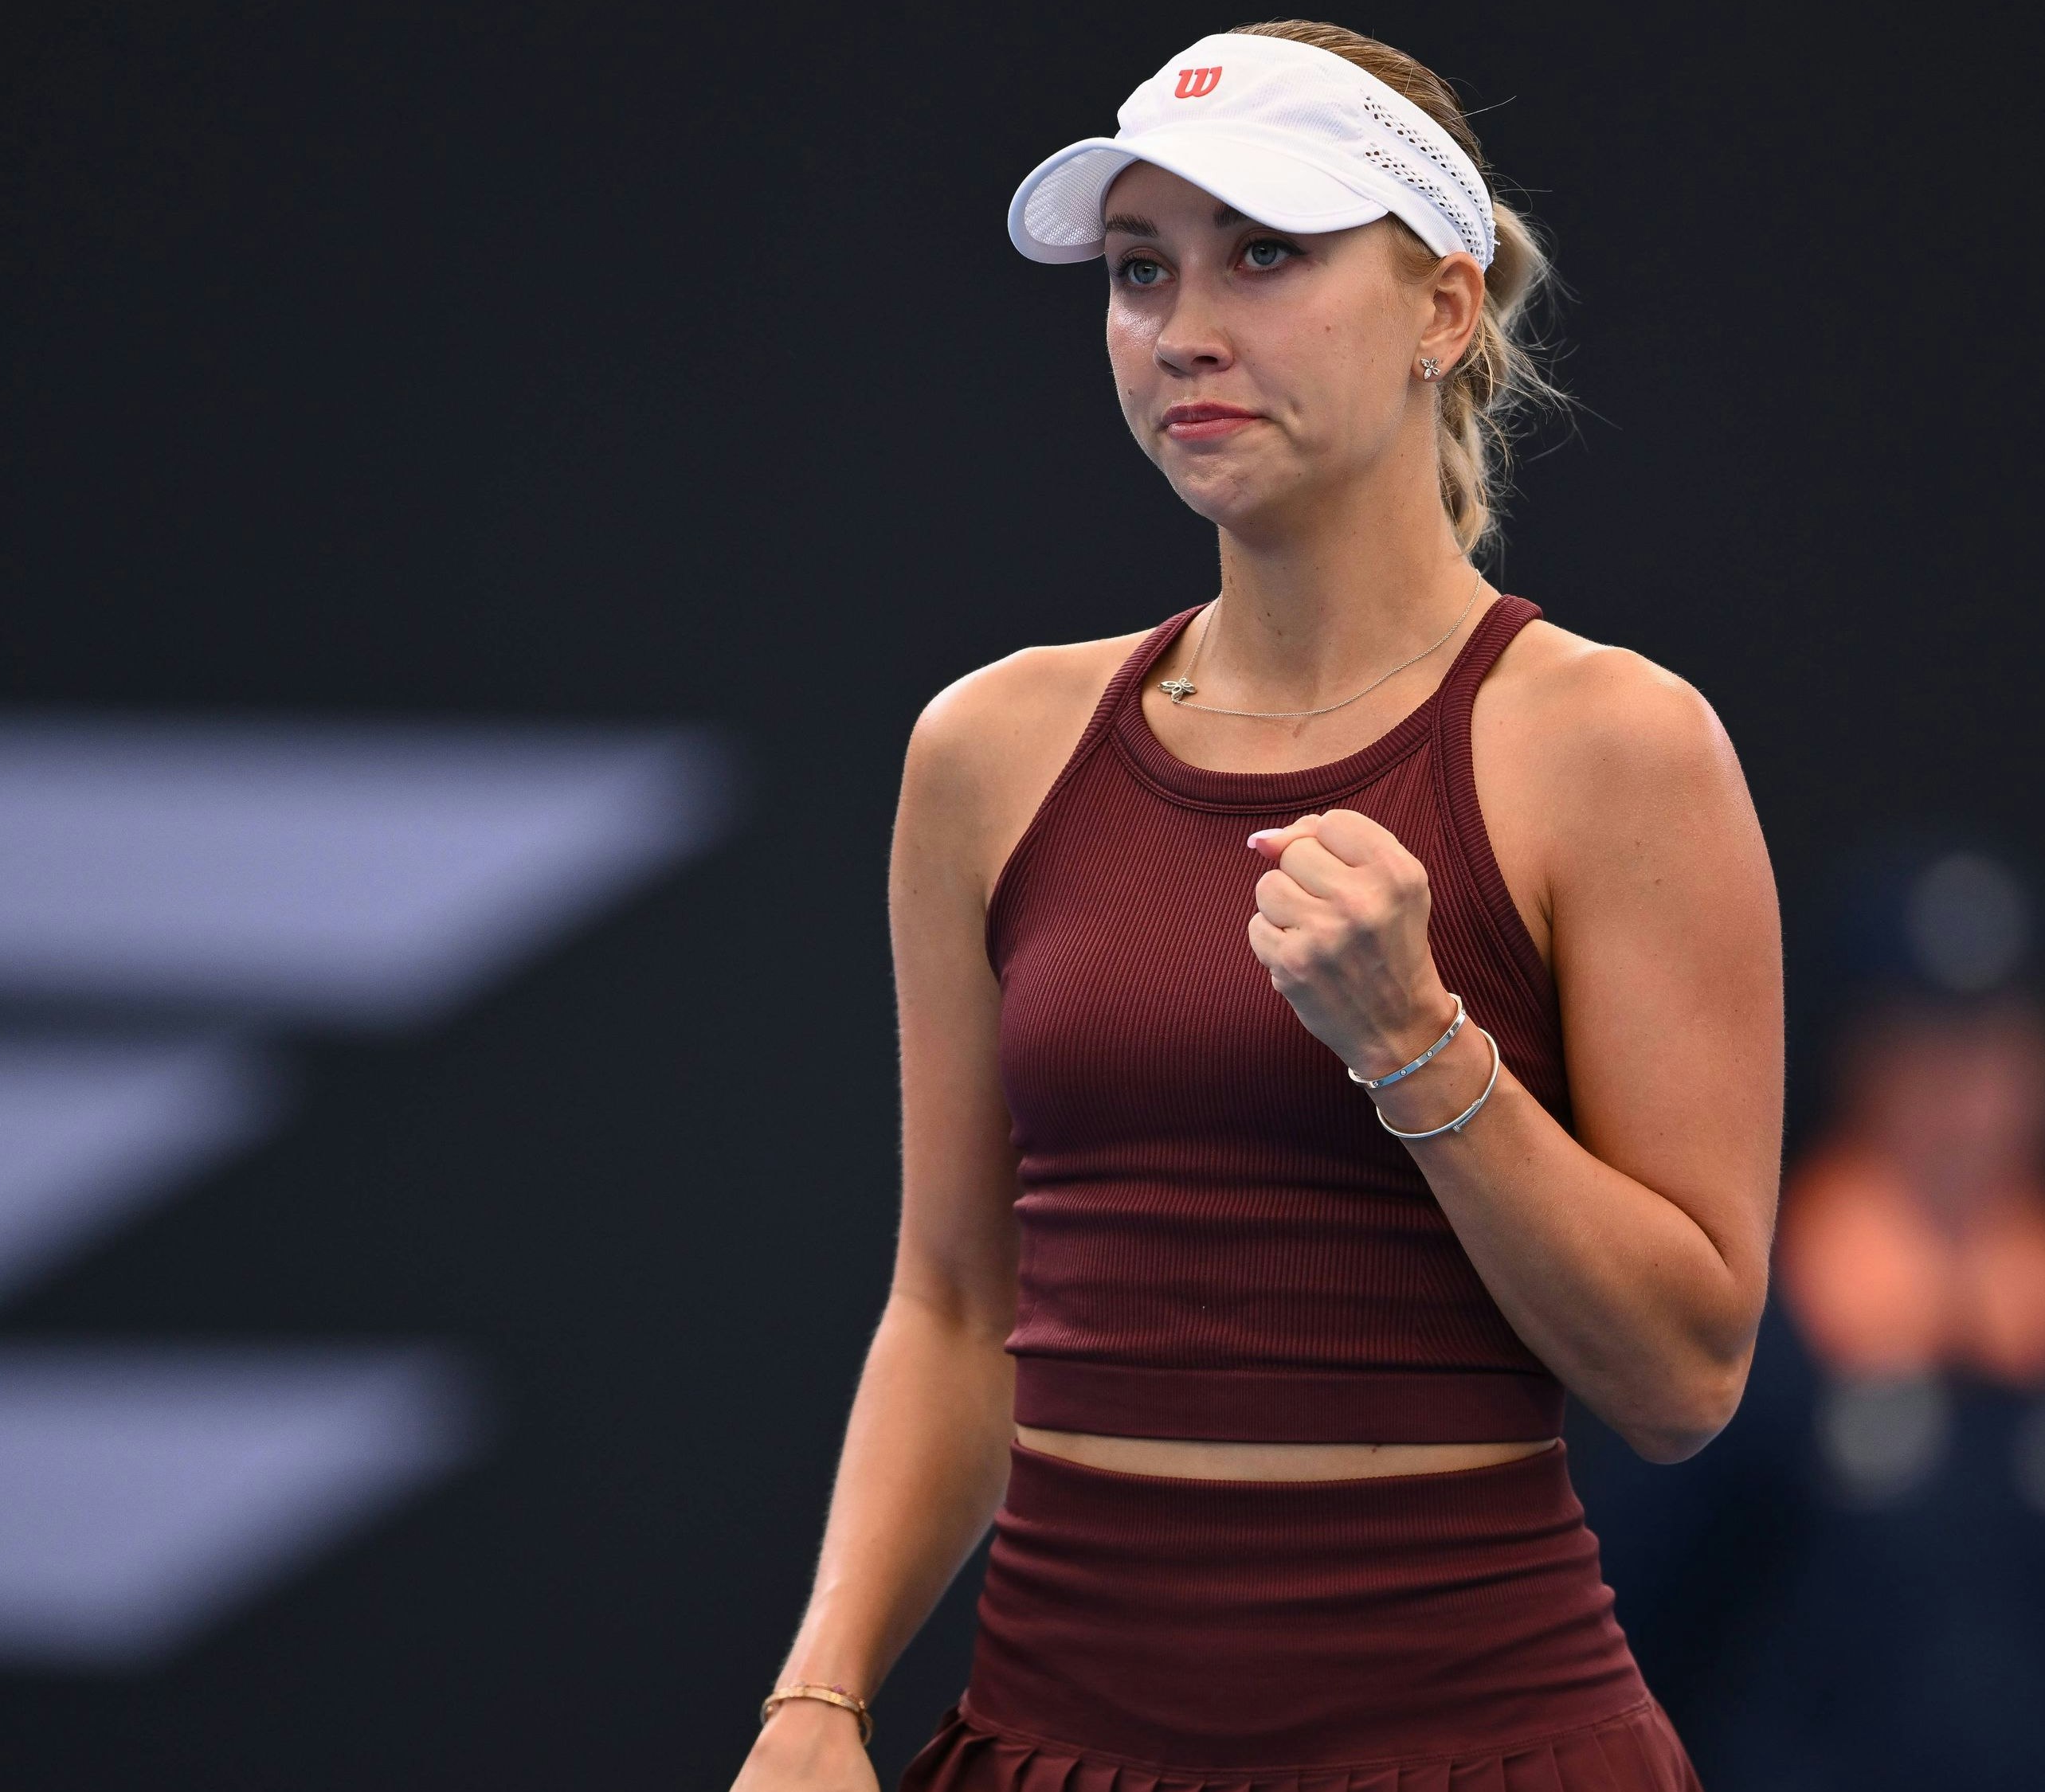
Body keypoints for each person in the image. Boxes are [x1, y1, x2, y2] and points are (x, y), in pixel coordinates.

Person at [727, 22, 1781, 1792]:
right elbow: (950, 1307)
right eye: (1140, 270)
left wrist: (1414, 1043)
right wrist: (817, 1698)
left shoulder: (1614, 747)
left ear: (1443, 307)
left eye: (1265, 255)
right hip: (1051, 1748)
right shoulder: (986, 751)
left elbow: (1683, 1376)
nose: (1181, 328)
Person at [1576, 847, 2045, 1792]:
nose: (1972, 1105)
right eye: (1928, 1056)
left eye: (2003, 1051)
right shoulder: (1737, 1338)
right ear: (1852, 1065)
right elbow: (1632, 1632)